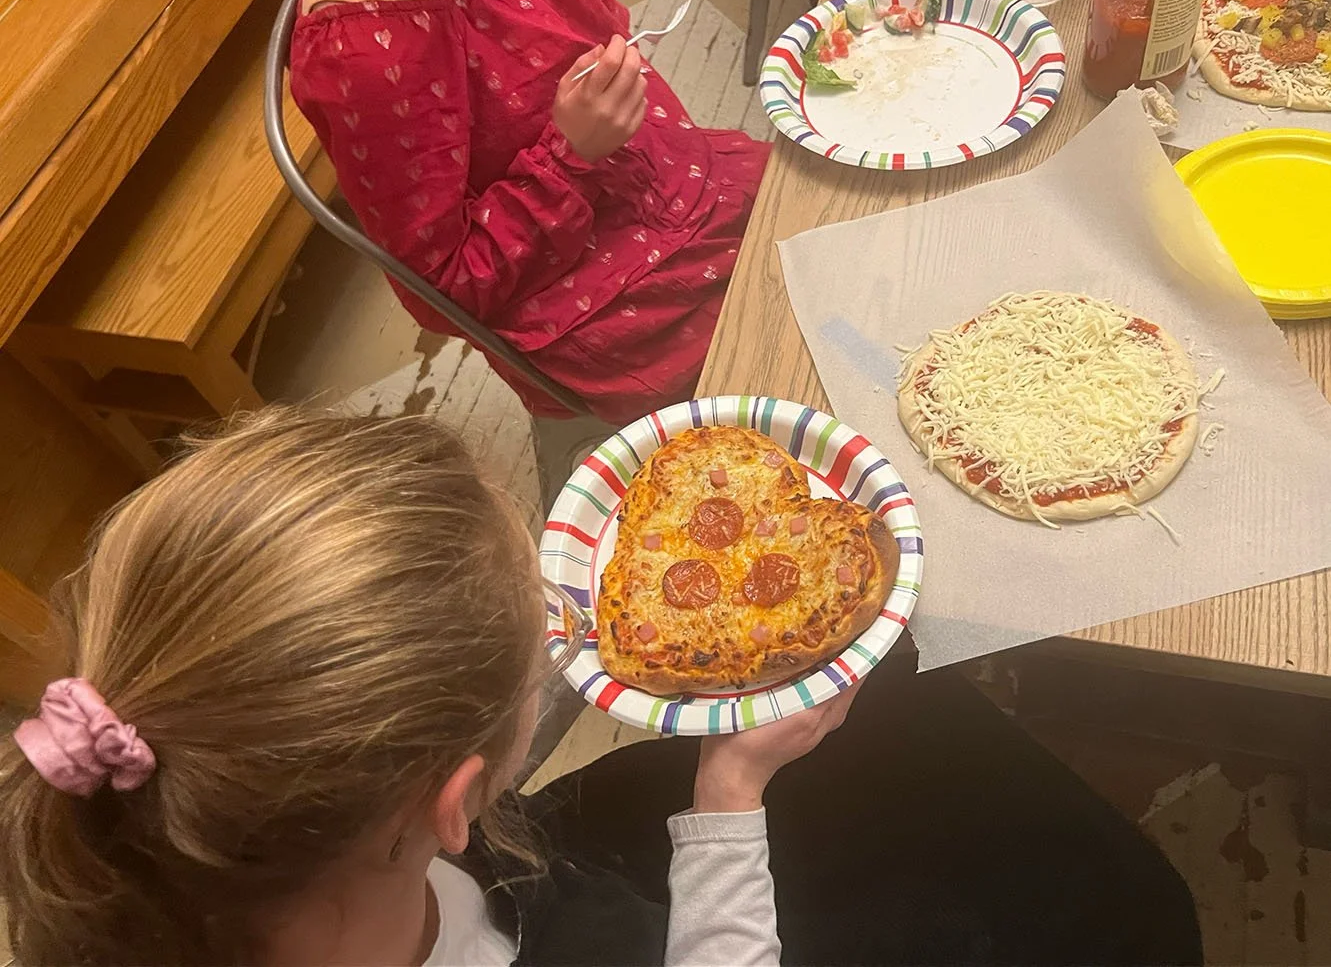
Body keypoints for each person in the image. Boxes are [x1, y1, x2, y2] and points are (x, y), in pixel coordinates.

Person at [0, 409, 1203, 965]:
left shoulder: (171, 849)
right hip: (638, 927)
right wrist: (727, 802)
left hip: (549, 884)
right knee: (1124, 905)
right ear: (459, 796)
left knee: (908, 712)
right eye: (543, 628)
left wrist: (730, 771)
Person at [288, 0, 772, 425]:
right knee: (780, 335)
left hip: (659, 175)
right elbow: (444, 287)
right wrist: (569, 155)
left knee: (807, 203)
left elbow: (592, 28)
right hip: (585, 292)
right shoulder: (363, 57)